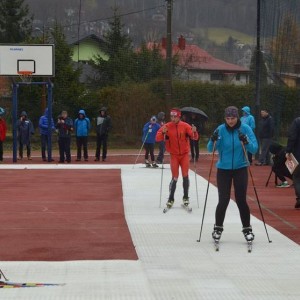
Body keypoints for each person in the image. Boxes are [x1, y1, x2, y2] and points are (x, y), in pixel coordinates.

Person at [207, 106, 258, 243]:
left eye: (233, 118)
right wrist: (213, 139)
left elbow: (254, 147)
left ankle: (247, 229)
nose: (230, 121)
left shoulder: (245, 129)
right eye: (228, 118)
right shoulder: (220, 129)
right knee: (223, 200)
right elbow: (210, 148)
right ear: (225, 118)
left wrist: (246, 141)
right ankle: (218, 228)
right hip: (223, 170)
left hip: (240, 168)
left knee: (241, 200)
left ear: (237, 117)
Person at [156, 108, 198, 208]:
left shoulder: (185, 126)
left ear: (179, 117)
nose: (173, 118)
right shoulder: (167, 126)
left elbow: (194, 137)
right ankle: (171, 198)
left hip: (184, 155)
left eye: (175, 116)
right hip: (174, 155)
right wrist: (163, 133)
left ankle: (186, 197)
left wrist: (194, 132)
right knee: (175, 176)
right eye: (171, 116)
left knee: (185, 175)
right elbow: (157, 138)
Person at [285, 116, 300, 208]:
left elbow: (292, 137)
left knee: (297, 177)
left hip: (298, 154)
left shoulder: (297, 121)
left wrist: (288, 150)